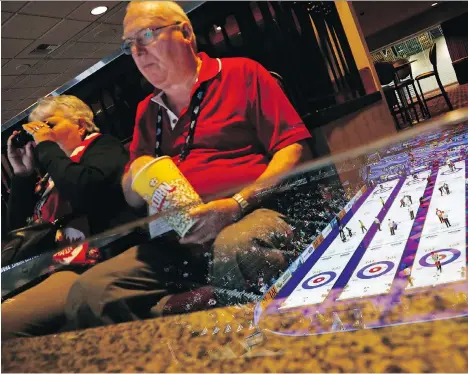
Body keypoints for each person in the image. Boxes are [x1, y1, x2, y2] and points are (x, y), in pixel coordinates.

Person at [64, 1, 313, 329]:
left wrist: (237, 204)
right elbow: (133, 198)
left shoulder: (242, 73)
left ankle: (252, 351)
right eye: (129, 45)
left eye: (147, 35)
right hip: (176, 240)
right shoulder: (146, 111)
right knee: (90, 291)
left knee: (234, 247)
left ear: (185, 34)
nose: (137, 51)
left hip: (250, 214)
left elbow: (294, 149)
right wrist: (134, 174)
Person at [2, 95, 131, 340]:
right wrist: (22, 176)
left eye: (49, 126)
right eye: (36, 131)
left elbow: (85, 190)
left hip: (87, 264)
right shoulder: (54, 175)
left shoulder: (103, 147)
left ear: (81, 125)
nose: (41, 136)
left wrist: (47, 147)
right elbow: (20, 234)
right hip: (45, 269)